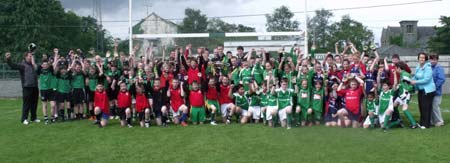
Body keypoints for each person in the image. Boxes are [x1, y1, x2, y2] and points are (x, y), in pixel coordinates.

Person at [5, 52, 39, 125]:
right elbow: (13, 66)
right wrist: (8, 59)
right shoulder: (22, 65)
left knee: (34, 103)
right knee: (27, 104)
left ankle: (33, 118)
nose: (31, 57)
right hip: (27, 87)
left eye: (32, 56)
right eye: (30, 56)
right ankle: (24, 119)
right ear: (26, 57)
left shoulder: (33, 65)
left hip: (35, 87)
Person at [411, 52, 436, 129]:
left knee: (426, 107)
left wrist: (415, 82)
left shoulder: (428, 68)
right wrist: (410, 80)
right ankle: (422, 123)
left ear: (425, 59)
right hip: (421, 90)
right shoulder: (418, 67)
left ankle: (426, 124)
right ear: (418, 58)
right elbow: (415, 77)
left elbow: (426, 80)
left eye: (423, 58)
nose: (421, 59)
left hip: (428, 90)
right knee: (421, 107)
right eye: (420, 57)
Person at [429, 54, 445, 127]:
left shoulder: (439, 68)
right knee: (431, 107)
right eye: (431, 59)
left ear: (437, 60)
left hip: (436, 92)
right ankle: (433, 121)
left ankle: (440, 121)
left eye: (434, 59)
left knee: (435, 106)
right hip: (430, 91)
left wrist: (434, 87)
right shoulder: (430, 67)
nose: (432, 61)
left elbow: (441, 79)